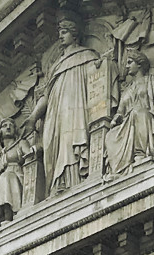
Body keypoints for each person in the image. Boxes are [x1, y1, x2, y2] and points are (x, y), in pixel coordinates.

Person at [27, 14, 101, 196]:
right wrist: (33, 116)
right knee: (55, 144)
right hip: (55, 113)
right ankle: (57, 183)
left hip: (76, 107)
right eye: (60, 32)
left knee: (71, 139)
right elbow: (46, 95)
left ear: (74, 34)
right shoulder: (55, 67)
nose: (60, 36)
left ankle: (73, 180)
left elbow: (97, 83)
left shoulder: (87, 56)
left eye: (64, 32)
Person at [106, 46, 154, 175]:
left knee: (138, 112)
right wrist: (116, 117)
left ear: (139, 64)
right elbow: (120, 111)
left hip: (146, 118)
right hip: (128, 124)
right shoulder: (126, 89)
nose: (126, 66)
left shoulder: (151, 81)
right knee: (110, 135)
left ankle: (140, 154)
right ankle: (120, 168)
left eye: (130, 62)